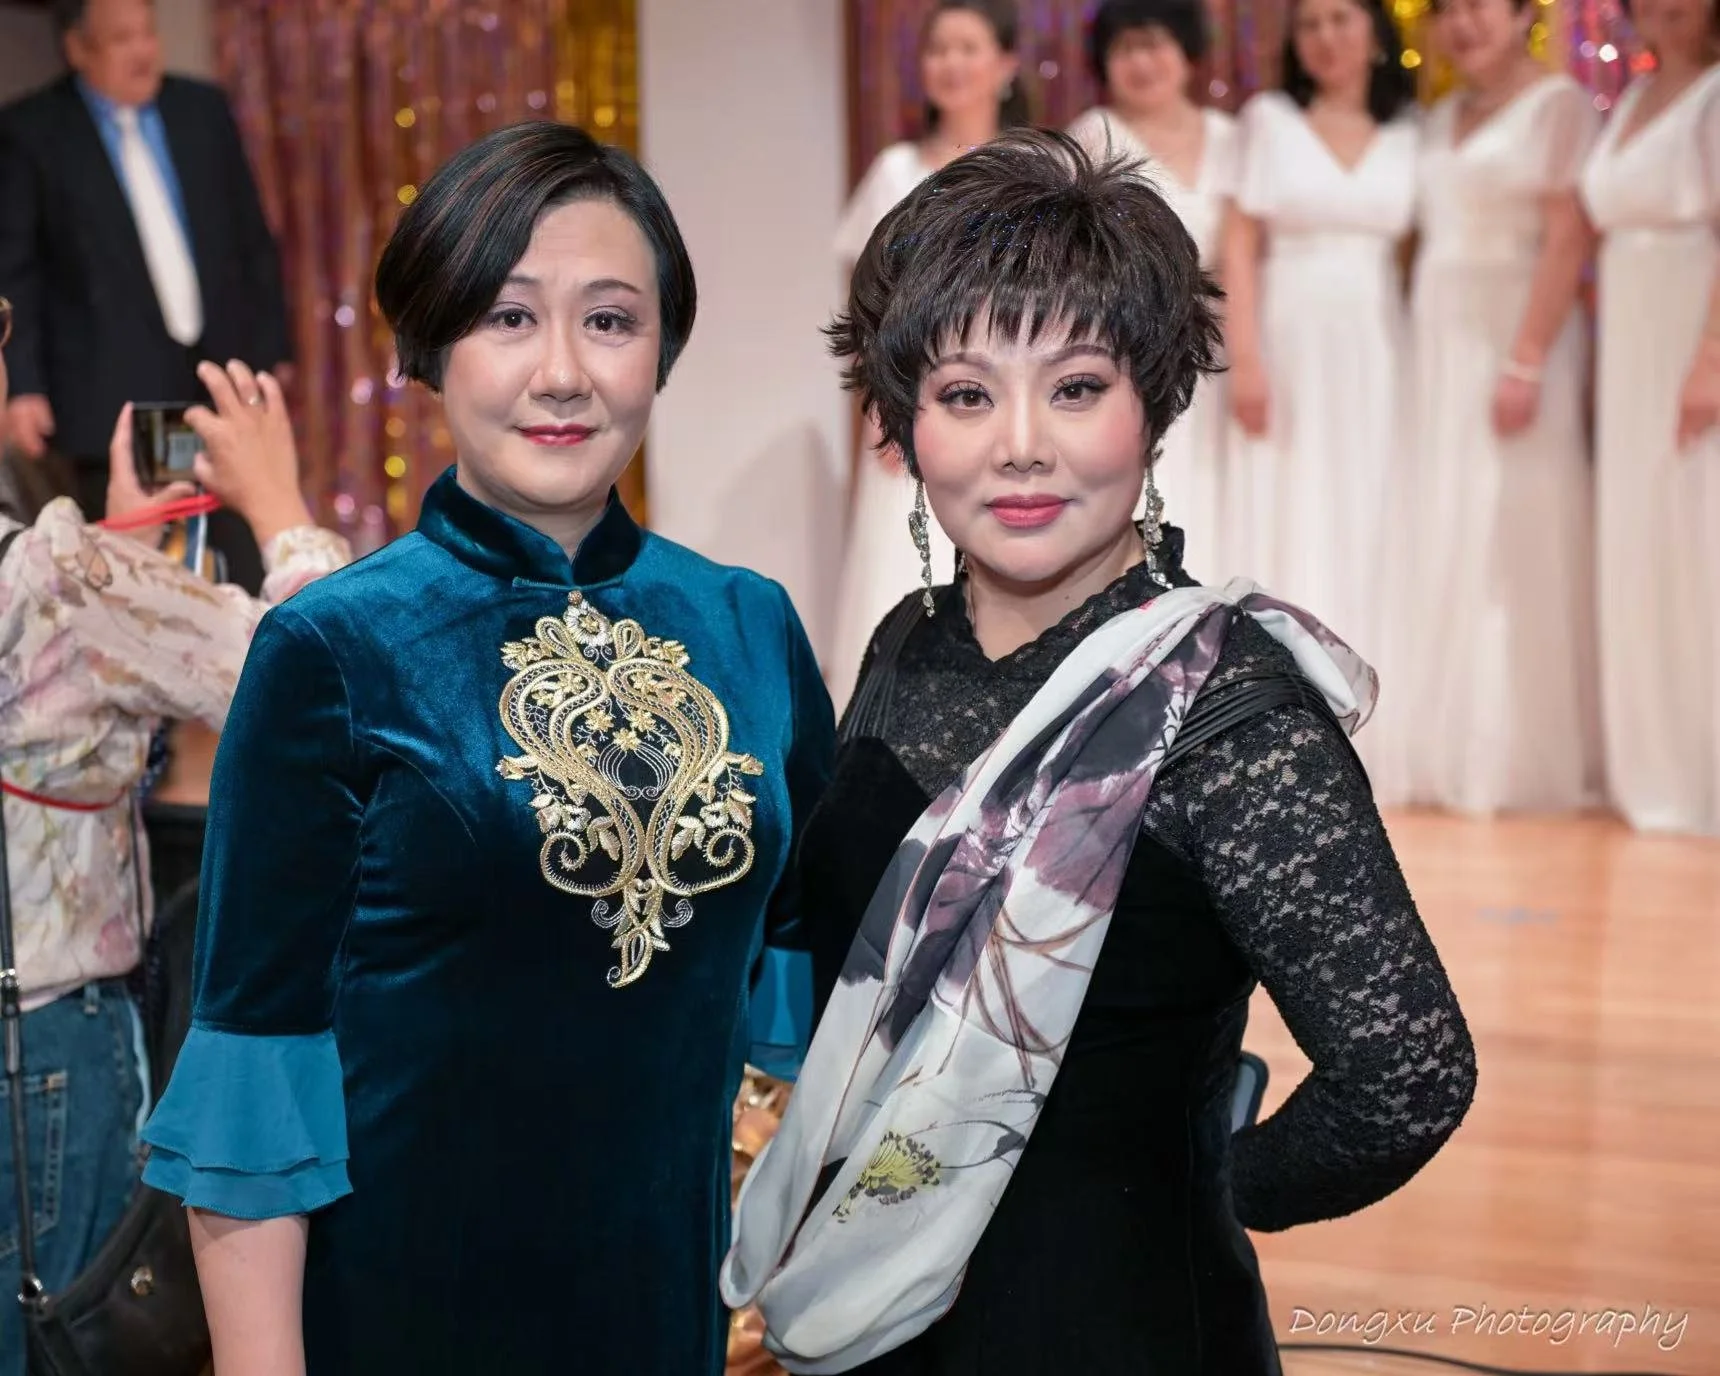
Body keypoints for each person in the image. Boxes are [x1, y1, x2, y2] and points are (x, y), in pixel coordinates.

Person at [722, 130, 1476, 1376]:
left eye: (1075, 386)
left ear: (1154, 405)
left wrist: (1207, 1185)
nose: (1021, 442)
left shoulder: (1226, 712)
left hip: (1112, 1323)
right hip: (867, 1306)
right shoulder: (908, 643)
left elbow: (1407, 1072)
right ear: (902, 423)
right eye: (966, 394)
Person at [137, 122, 835, 1375]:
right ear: (432, 345)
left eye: (610, 320)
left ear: (662, 348)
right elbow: (254, 1077)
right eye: (509, 318)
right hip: (403, 1317)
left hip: (664, 1316)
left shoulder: (749, 628)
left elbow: (814, 999)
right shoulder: (334, 647)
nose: (562, 372)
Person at [0, 297, 350, 1376]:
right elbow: (332, 680)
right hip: (40, 1054)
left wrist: (118, 557)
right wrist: (279, 502)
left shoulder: (67, 578)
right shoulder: (59, 581)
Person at [1366, 0, 1601, 814]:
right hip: (1437, 339)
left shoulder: (1558, 105)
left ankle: (1511, 755)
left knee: (1514, 527)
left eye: (1481, 6)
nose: (1464, 23)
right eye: (1449, 10)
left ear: (1522, 14)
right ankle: (1441, 741)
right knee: (1445, 521)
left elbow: (1568, 238)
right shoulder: (1438, 118)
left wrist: (1527, 358)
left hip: (1515, 334)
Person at [0, 0, 292, 592]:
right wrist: (23, 383)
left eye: (148, 34)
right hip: (113, 385)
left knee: (239, 555)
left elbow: (251, 238)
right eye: (121, 39)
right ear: (77, 49)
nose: (143, 52)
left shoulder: (201, 109)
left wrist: (272, 345)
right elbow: (16, 265)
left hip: (213, 369)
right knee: (141, 573)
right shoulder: (32, 131)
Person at [826, 0, 1025, 711]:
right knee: (902, 554)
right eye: (939, 49)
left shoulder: (1030, 168)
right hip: (913, 399)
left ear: (1006, 65)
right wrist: (880, 401)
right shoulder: (894, 171)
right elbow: (863, 308)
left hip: (1010, 396)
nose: (951, 63)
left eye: (969, 48)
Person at [1221, 0, 1418, 667]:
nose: (1326, 37)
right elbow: (1239, 244)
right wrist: (1246, 359)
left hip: (1379, 340)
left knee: (1371, 496)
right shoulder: (1268, 119)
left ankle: (1372, 661)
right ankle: (1285, 674)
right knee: (1290, 495)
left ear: (1375, 31)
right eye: (1310, 25)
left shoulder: (1409, 130)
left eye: (1341, 19)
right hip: (1288, 336)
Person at [1581, 0, 1720, 834]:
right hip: (1632, 342)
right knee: (1644, 540)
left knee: (1695, 539)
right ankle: (1653, 762)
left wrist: (1711, 359)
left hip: (1689, 333)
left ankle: (1702, 766)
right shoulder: (1634, 97)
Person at [1068, 0, 1241, 579]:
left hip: (1226, 348)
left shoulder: (1231, 137)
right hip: (1136, 345)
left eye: (1154, 45)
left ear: (1186, 52)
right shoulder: (1094, 134)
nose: (1141, 63)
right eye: (1125, 49)